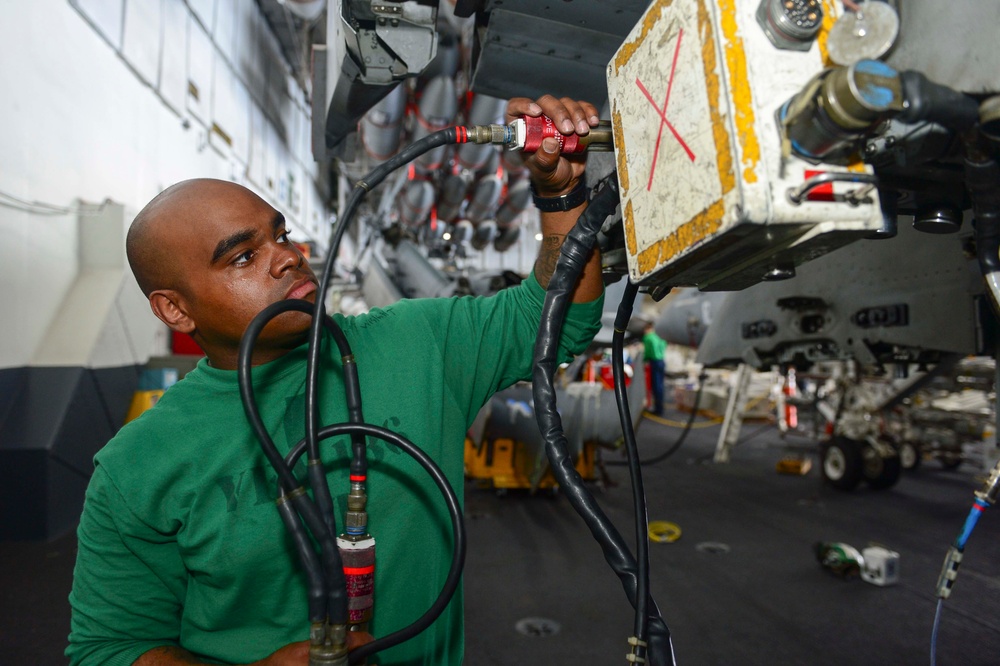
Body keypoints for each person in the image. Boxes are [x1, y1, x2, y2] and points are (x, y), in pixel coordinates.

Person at [66, 95, 605, 666]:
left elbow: (553, 319)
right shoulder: (137, 465)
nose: (287, 257)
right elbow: (107, 650)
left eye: (280, 234)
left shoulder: (417, 343)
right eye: (242, 258)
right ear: (175, 310)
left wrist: (560, 192)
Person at [643, 321, 667, 415]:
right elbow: (664, 345)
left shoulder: (648, 337)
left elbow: (648, 351)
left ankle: (658, 410)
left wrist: (645, 360)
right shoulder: (659, 336)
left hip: (654, 362)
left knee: (656, 386)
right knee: (660, 385)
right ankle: (660, 407)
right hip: (662, 361)